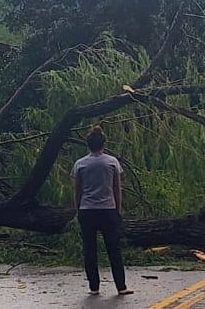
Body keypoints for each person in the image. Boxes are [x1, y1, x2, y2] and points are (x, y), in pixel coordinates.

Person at [72, 125, 133, 296]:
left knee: (90, 249)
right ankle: (121, 286)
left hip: (87, 210)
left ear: (88, 144)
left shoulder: (80, 164)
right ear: (103, 144)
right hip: (108, 210)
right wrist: (118, 210)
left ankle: (94, 287)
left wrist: (78, 210)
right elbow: (116, 189)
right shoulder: (112, 162)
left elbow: (77, 191)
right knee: (114, 249)